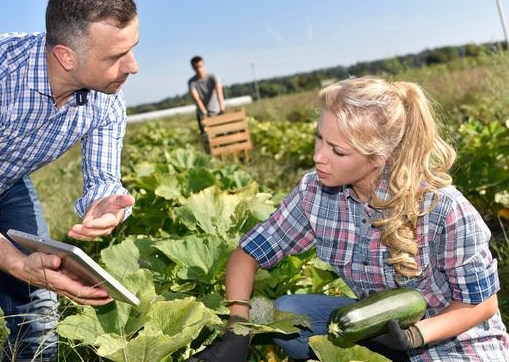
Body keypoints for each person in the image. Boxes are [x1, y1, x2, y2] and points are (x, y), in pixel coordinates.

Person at [186, 76, 509, 362]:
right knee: (288, 313)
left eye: (338, 152)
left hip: (455, 341)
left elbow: (481, 306)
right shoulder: (316, 191)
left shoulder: (443, 209)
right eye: (319, 138)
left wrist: (415, 336)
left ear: (379, 157)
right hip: (376, 331)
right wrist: (237, 329)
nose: (318, 156)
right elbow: (247, 255)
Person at [0, 0, 139, 360]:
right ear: (66, 56)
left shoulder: (107, 102)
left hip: (7, 183)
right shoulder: (4, 75)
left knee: (39, 320)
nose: (133, 67)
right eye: (116, 56)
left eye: (132, 49)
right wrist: (15, 262)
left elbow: (104, 178)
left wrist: (107, 203)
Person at [187, 55, 226, 135]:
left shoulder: (212, 77)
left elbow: (219, 93)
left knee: (221, 136)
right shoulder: (192, 82)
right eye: (196, 67)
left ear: (203, 65)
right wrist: (204, 113)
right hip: (203, 115)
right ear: (192, 68)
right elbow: (197, 99)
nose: (199, 69)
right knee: (207, 138)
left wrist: (222, 108)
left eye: (200, 66)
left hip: (216, 112)